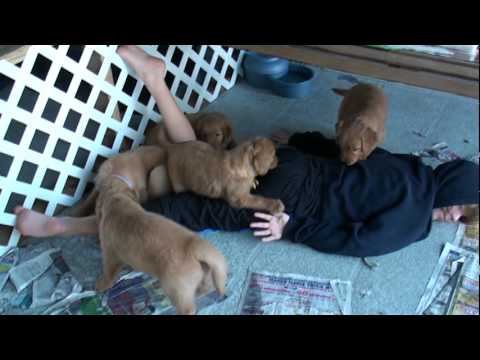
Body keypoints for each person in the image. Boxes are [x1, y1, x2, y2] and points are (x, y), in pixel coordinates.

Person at [14, 46, 479, 258]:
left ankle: (157, 81)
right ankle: (60, 225)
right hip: (283, 202)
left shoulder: (414, 167)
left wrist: (295, 145)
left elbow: (348, 156)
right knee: (181, 211)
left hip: (295, 166)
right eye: (459, 212)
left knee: (201, 161)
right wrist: (290, 226)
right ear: (452, 200)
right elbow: (356, 242)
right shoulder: (415, 222)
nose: (451, 219)